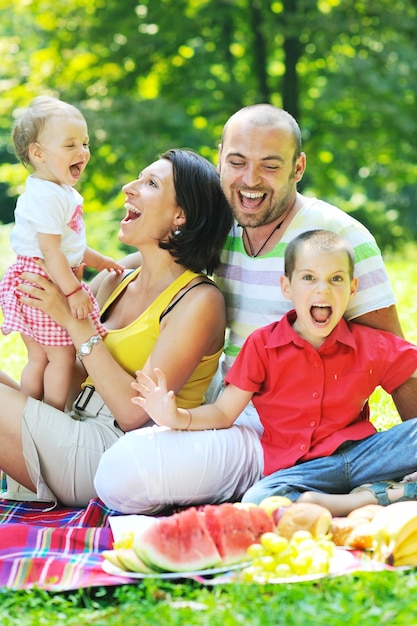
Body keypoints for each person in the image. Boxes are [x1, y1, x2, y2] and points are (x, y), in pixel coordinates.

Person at [94, 103, 417, 514]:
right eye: (237, 162)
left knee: (122, 472)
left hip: (308, 432)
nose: (250, 180)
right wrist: (82, 278)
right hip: (232, 415)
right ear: (219, 159)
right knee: (120, 470)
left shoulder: (338, 237)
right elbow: (159, 257)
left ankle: (322, 482)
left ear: (298, 168)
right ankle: (301, 487)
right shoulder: (221, 228)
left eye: (270, 165)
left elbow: (399, 363)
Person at [0, 148, 237, 507]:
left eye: (150, 183)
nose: (129, 187)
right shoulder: (120, 277)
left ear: (180, 216)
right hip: (72, 421)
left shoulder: (199, 301)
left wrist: (72, 321)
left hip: (115, 453)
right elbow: (72, 369)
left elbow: (134, 415)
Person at [130, 230, 417, 517]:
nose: (323, 290)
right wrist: (176, 417)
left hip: (365, 455)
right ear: (286, 287)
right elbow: (223, 412)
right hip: (302, 471)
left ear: (352, 289)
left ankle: (361, 496)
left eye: (336, 279)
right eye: (308, 278)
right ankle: (378, 496)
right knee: (257, 501)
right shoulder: (263, 346)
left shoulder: (371, 345)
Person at [0, 96, 123, 411]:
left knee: (39, 356)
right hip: (44, 276)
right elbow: (51, 252)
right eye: (70, 145)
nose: (82, 151)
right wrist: (72, 292)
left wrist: (100, 261)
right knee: (62, 356)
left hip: (33, 274)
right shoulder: (48, 197)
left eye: (85, 143)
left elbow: (71, 246)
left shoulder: (55, 191)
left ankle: (27, 414)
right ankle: (52, 416)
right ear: (38, 153)